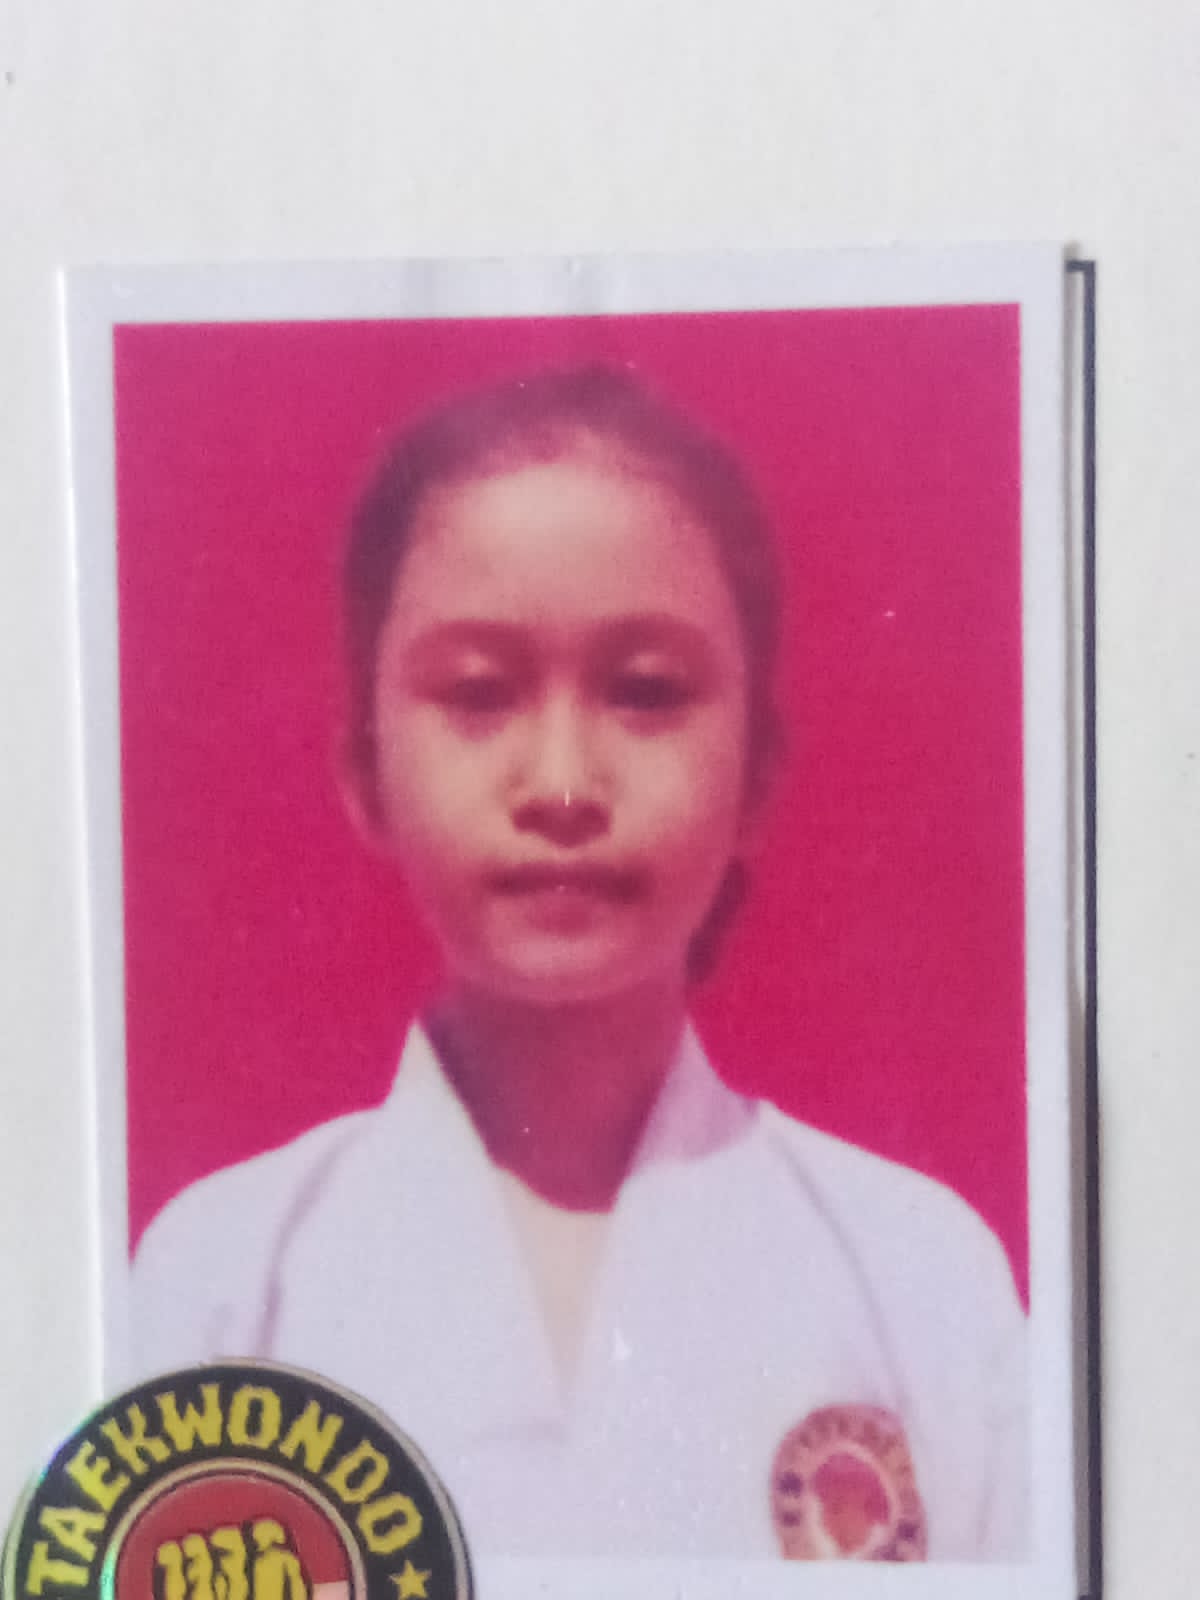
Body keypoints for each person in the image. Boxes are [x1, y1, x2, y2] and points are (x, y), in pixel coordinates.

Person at [131, 366, 1027, 1563]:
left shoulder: (920, 1278)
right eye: (480, 693)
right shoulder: (223, 1281)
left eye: (646, 692)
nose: (562, 783)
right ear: (365, 768)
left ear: (760, 771)